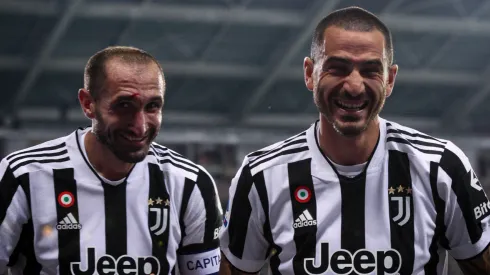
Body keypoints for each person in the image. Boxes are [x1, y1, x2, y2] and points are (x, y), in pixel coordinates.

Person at [219, 6, 490, 275]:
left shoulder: (441, 167)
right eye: (337, 68)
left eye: (370, 70)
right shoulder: (261, 175)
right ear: (309, 73)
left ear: (390, 79)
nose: (354, 86)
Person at [0, 46, 222, 275]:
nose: (140, 126)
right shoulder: (23, 177)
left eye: (152, 106)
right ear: (88, 103)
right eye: (124, 106)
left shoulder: (190, 184)